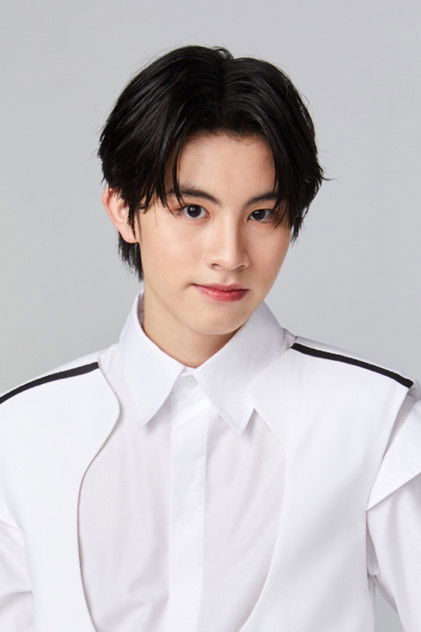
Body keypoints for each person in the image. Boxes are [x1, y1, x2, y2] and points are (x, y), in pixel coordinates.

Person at [0, 44, 419, 632]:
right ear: (122, 209)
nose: (230, 254)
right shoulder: (22, 433)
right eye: (193, 210)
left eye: (261, 214)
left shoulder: (375, 424)